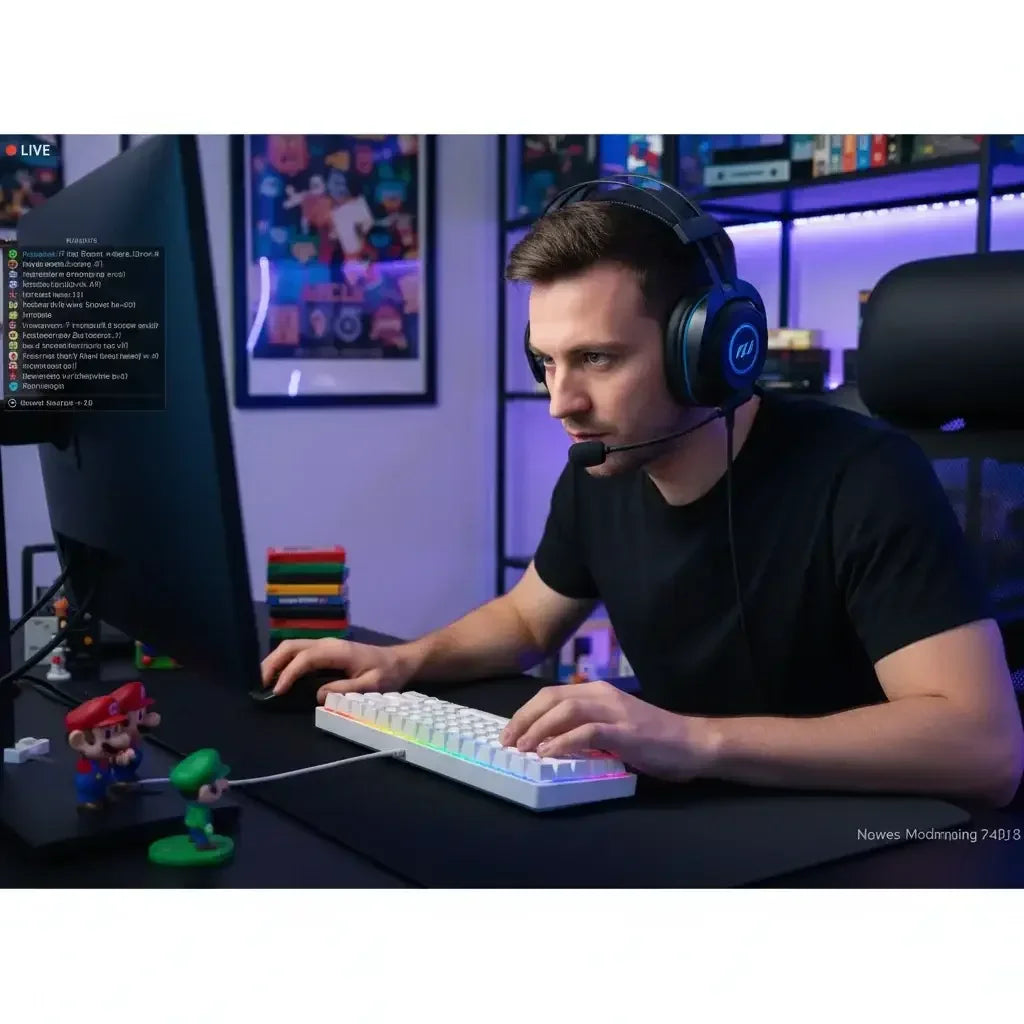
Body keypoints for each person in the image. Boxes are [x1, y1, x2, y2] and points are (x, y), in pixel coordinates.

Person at [261, 183, 1024, 808]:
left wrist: (692, 739)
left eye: (596, 358)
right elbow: (529, 617)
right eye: (547, 363)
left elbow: (983, 750)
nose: (562, 401)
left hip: (861, 841)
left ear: (711, 349)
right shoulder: (603, 467)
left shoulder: (865, 476)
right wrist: (402, 662)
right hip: (706, 818)